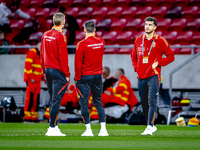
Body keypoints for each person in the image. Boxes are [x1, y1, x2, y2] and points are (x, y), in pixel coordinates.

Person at [131, 16, 175, 135]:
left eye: (150, 25)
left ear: (155, 27)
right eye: (146, 24)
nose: (147, 27)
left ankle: (150, 126)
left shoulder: (161, 41)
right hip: (140, 77)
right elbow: (133, 56)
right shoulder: (138, 40)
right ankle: (150, 124)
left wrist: (159, 63)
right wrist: (136, 67)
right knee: (144, 102)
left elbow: (171, 56)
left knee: (152, 101)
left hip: (153, 76)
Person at [74, 20, 109, 136]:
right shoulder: (101, 41)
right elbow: (97, 37)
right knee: (98, 102)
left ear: (84, 30)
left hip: (84, 76)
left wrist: (77, 78)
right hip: (98, 76)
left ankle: (88, 130)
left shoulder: (81, 44)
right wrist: (94, 33)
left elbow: (77, 64)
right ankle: (103, 130)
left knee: (84, 104)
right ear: (95, 30)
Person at [40, 13, 70, 136]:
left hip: (47, 70)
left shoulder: (45, 35)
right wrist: (67, 73)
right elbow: (63, 57)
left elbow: (42, 54)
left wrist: (43, 70)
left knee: (53, 99)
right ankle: (52, 128)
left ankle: (54, 126)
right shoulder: (61, 37)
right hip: (57, 71)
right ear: (63, 22)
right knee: (56, 100)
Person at [23, 42, 45, 122]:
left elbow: (40, 68)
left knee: (36, 99)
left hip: (37, 80)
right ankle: (27, 117)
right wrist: (31, 77)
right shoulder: (32, 52)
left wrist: (43, 77)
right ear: (38, 46)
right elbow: (28, 66)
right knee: (30, 98)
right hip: (31, 80)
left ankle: (34, 117)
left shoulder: (41, 54)